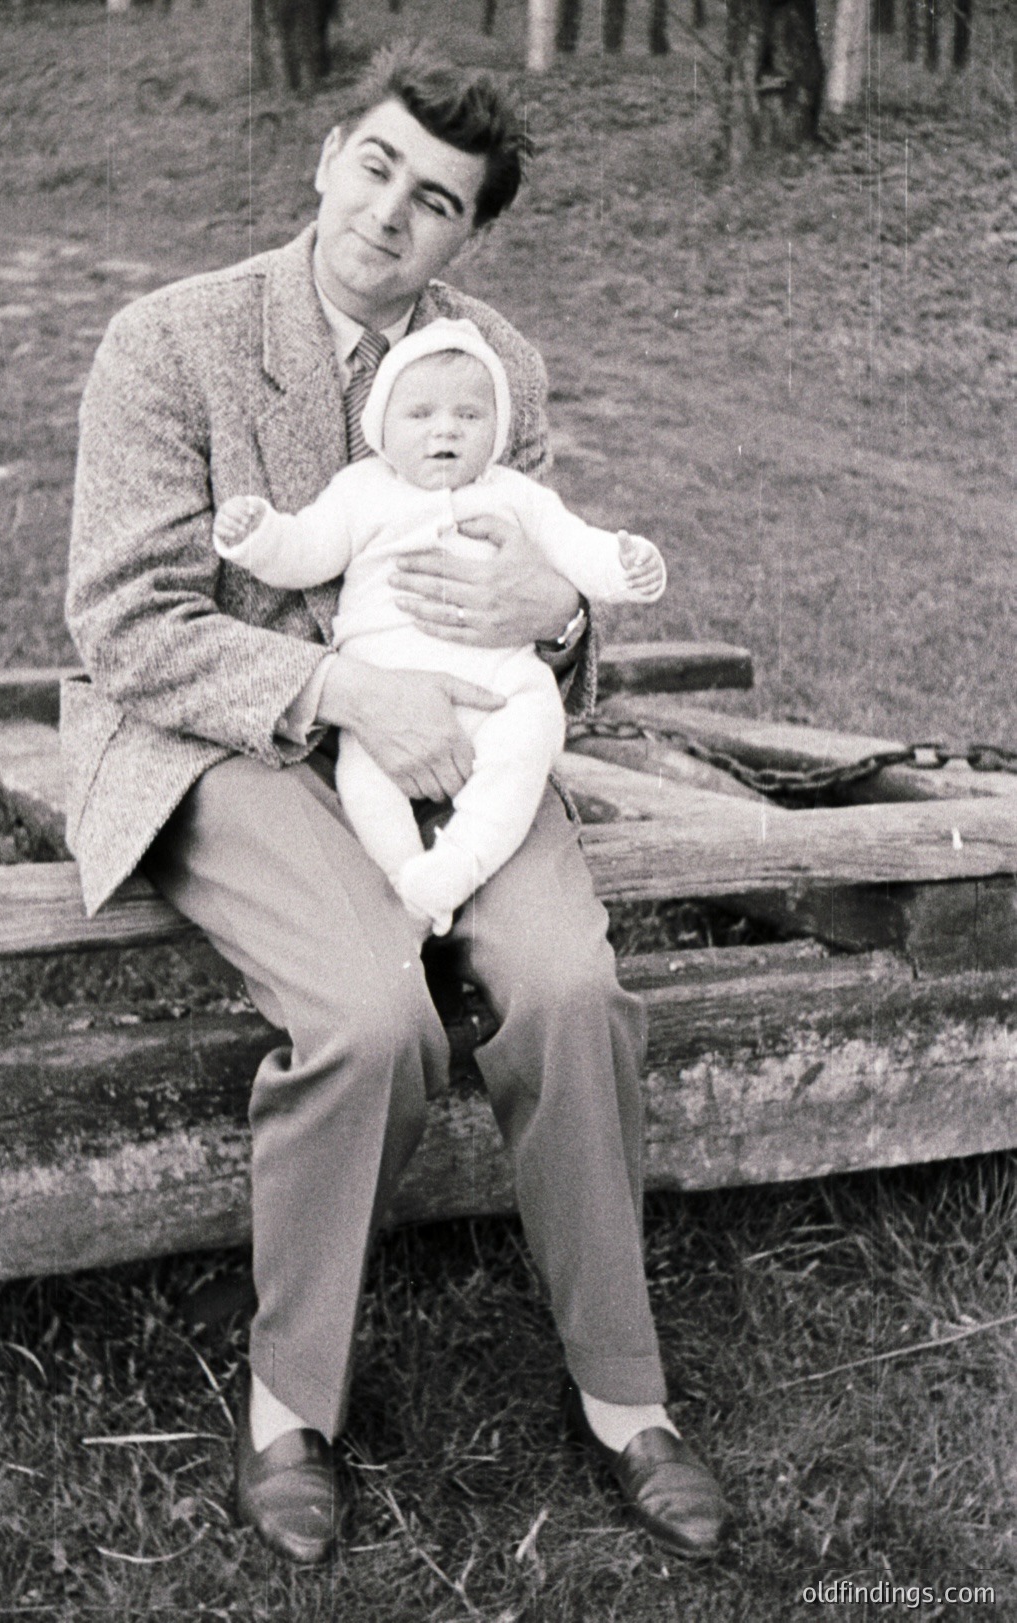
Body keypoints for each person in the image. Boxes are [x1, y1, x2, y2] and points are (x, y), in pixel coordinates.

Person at [62, 41, 729, 1564]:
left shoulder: (492, 359)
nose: (388, 216)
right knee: (373, 1012)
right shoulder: (171, 339)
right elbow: (125, 619)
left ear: (466, 234)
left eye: (434, 202)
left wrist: (551, 603)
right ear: (325, 156)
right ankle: (289, 1400)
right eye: (374, 168)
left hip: (464, 739)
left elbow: (558, 599)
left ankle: (626, 1394)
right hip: (226, 733)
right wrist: (353, 693)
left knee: (566, 983)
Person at [212, 316, 667, 938]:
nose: (445, 428)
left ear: (498, 430)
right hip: (385, 685)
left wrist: (624, 566)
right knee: (365, 777)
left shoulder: (514, 495)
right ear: (381, 429)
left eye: (469, 416)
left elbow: (574, 547)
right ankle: (407, 879)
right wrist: (260, 536)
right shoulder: (361, 491)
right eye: (420, 414)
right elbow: (307, 551)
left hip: (500, 677)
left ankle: (461, 863)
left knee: (531, 737)